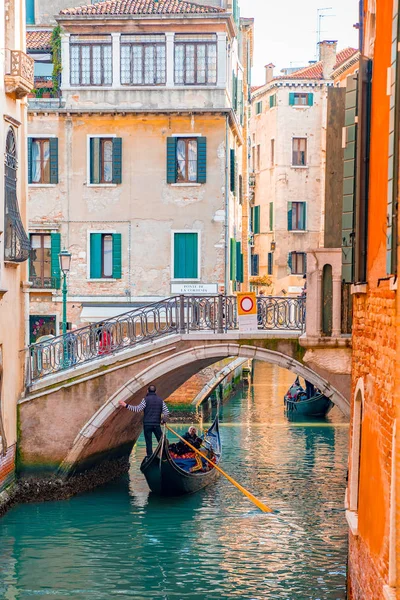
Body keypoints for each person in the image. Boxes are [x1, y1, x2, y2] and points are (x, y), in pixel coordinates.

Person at [119, 385, 169, 458]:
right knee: (161, 441)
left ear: (147, 391)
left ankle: (149, 456)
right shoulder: (160, 400)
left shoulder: (145, 400)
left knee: (149, 442)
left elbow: (137, 409)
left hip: (147, 424)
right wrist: (163, 420)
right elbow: (166, 412)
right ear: (155, 391)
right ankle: (165, 456)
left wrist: (126, 405)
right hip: (156, 424)